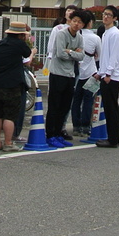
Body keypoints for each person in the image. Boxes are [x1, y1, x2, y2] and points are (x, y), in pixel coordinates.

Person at [43, 8, 84, 145]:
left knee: (65, 106)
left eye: (79, 22)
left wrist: (70, 52)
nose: (76, 24)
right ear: (70, 21)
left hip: (70, 74)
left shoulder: (79, 37)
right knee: (54, 105)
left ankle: (58, 133)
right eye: (74, 21)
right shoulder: (61, 34)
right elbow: (60, 53)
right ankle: (50, 135)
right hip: (57, 73)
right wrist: (74, 53)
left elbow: (81, 56)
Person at [0, 21, 32, 150]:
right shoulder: (20, 44)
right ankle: (8, 143)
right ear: (21, 35)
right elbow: (27, 55)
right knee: (10, 115)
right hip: (12, 84)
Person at [96, 6, 119, 142]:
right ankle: (111, 137)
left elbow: (114, 56)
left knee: (111, 108)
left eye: (109, 15)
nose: (105, 17)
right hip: (105, 74)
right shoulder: (106, 33)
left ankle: (113, 139)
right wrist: (100, 72)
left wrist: (108, 73)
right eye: (104, 14)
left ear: (115, 18)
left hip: (111, 76)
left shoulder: (115, 34)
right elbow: (105, 56)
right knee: (108, 107)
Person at [72, 10, 100, 136]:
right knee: (88, 100)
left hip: (76, 72)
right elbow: (99, 56)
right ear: (90, 23)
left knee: (76, 100)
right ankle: (85, 126)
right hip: (91, 73)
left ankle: (76, 126)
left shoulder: (76, 36)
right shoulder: (95, 38)